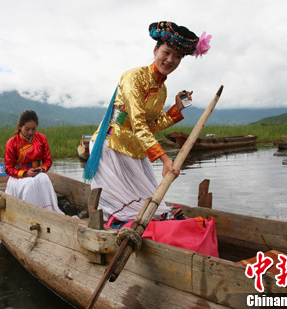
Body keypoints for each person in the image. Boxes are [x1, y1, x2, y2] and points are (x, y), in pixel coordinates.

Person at [84, 21, 212, 225]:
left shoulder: (162, 90)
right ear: (155, 50)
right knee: (129, 212)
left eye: (177, 56)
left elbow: (150, 127)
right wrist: (164, 159)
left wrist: (176, 109)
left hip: (135, 149)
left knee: (151, 207)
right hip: (112, 147)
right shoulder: (133, 78)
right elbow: (138, 124)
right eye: (167, 52)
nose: (170, 60)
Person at [5, 110, 64, 214]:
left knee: (44, 178)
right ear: (20, 126)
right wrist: (26, 173)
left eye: (33, 129)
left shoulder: (41, 138)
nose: (30, 132)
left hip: (38, 173)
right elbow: (8, 168)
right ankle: (29, 213)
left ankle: (47, 211)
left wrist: (42, 169)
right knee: (29, 184)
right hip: (20, 176)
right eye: (27, 129)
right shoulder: (12, 142)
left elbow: (48, 160)